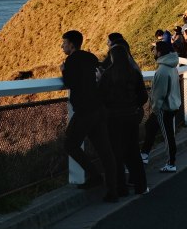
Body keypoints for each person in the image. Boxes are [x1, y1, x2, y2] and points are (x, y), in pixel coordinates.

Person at [60, 30, 118, 202]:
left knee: (70, 144)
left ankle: (94, 176)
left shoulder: (71, 60)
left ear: (71, 44)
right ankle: (112, 191)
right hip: (99, 109)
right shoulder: (91, 57)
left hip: (85, 111)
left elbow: (70, 83)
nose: (62, 46)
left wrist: (63, 70)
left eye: (63, 43)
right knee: (105, 151)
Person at [97, 43, 149, 196]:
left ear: (112, 57)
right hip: (131, 118)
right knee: (133, 152)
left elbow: (101, 97)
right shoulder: (134, 73)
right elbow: (143, 97)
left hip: (113, 119)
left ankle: (121, 188)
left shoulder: (108, 74)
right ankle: (141, 186)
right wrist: (134, 106)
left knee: (116, 154)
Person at [140, 41, 181, 172]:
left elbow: (159, 94)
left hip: (163, 108)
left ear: (160, 52)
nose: (154, 52)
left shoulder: (162, 70)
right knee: (150, 126)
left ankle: (171, 163)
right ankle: (144, 154)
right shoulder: (172, 66)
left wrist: (154, 109)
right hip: (172, 105)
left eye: (155, 50)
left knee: (167, 135)